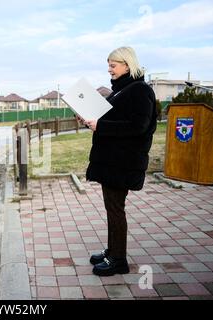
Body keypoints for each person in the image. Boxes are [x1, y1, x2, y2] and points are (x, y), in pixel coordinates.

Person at [84, 47, 157, 277]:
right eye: (109, 65)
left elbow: (139, 126)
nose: (109, 69)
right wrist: (90, 120)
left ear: (127, 65)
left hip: (123, 162)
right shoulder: (121, 90)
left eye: (113, 65)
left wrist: (101, 125)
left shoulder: (140, 90)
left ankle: (118, 260)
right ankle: (113, 251)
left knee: (116, 209)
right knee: (112, 208)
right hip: (112, 161)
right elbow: (112, 118)